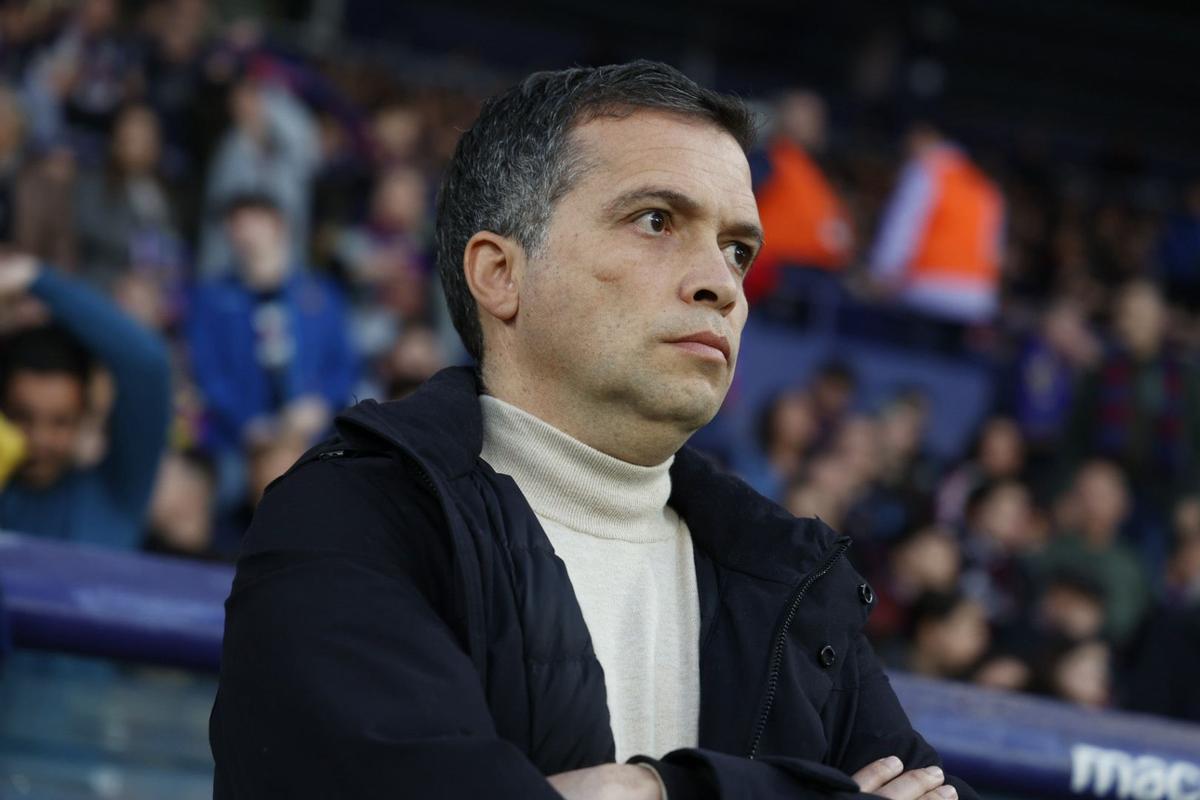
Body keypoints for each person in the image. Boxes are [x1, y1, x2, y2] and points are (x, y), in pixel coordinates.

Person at [211, 61, 975, 800]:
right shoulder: (348, 516)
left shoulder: (787, 574)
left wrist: (647, 790)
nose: (722, 284)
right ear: (500, 274)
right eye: (656, 221)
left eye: (738, 249)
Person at [0, 254, 171, 548]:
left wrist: (34, 278)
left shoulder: (115, 492)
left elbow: (148, 365)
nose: (40, 439)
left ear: (86, 415)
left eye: (61, 422)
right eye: (21, 417)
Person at [186, 191, 358, 458]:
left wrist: (320, 405)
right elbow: (208, 371)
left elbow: (345, 364)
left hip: (314, 438)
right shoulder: (213, 299)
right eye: (236, 225)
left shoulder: (320, 294)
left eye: (254, 222)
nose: (245, 234)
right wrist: (245, 422)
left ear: (279, 226)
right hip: (238, 443)